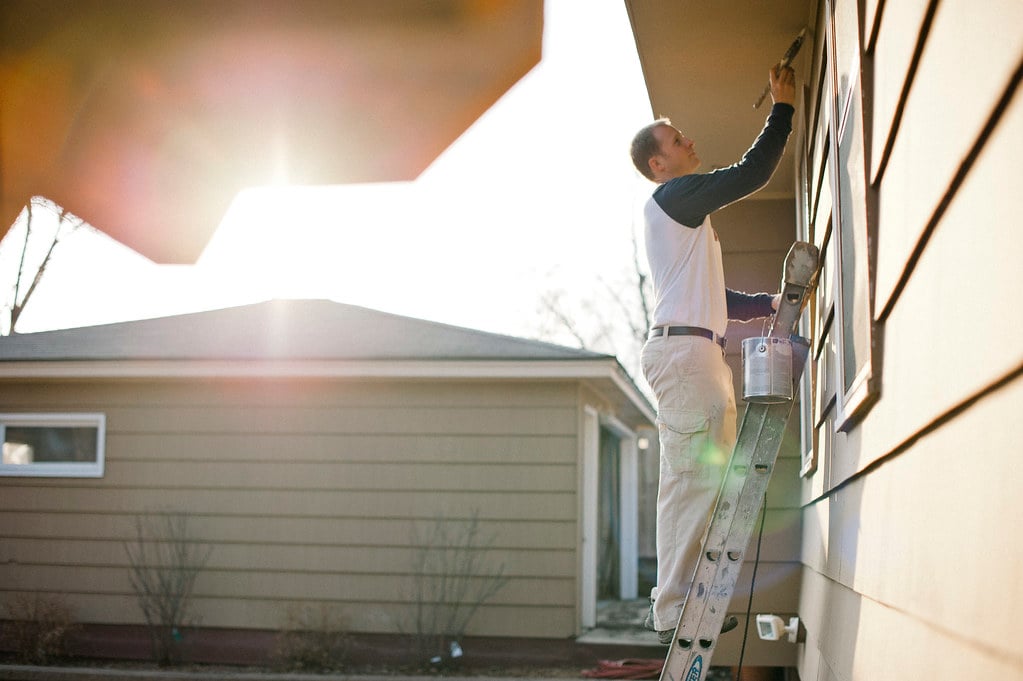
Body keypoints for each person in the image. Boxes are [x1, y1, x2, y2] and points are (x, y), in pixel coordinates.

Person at [629, 64, 796, 644]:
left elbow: (714, 297)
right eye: (677, 140)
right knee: (689, 482)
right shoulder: (674, 197)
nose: (689, 141)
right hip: (684, 357)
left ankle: (684, 600)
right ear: (659, 163)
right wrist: (782, 107)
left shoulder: (684, 225)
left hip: (696, 353)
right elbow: (752, 172)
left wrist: (765, 303)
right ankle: (673, 608)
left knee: (706, 481)